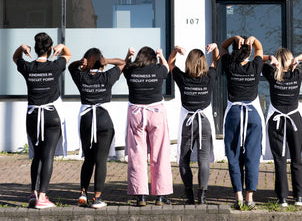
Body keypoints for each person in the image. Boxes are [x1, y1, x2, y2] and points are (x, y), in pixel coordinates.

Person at [13, 33, 72, 209]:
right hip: (52, 115)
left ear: (35, 48)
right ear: (49, 49)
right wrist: (61, 47)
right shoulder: (55, 66)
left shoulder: (28, 66)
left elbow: (16, 57)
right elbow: (68, 55)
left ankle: (33, 193)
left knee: (37, 156)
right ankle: (43, 197)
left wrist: (22, 48)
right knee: (48, 157)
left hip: (32, 115)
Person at [69, 48, 126, 209]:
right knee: (101, 161)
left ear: (86, 61)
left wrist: (79, 63)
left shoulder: (81, 76)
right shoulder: (107, 76)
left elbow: (70, 67)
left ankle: (82, 193)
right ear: (101, 62)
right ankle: (97, 199)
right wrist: (108, 61)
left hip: (86, 119)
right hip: (104, 120)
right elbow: (123, 63)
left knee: (88, 159)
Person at [168, 43, 219, 205]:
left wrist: (176, 50)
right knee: (203, 160)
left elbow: (170, 64)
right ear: (203, 63)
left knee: (184, 159)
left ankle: (189, 195)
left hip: (188, 123)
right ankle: (202, 196)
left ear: (188, 63)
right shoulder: (209, 77)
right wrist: (216, 48)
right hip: (204, 122)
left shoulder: (182, 78)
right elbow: (216, 61)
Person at [123, 47, 172, 207]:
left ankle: (141, 195)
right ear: (153, 58)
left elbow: (124, 66)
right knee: (160, 153)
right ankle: (160, 195)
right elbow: (167, 67)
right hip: (156, 112)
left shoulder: (131, 70)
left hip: (136, 113)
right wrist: (161, 55)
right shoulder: (158, 69)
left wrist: (128, 56)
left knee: (137, 154)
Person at [220, 35, 265, 210]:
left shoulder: (230, 66)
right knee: (252, 156)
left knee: (233, 155)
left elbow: (223, 48)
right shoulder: (255, 66)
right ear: (250, 52)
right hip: (253, 115)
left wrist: (233, 38)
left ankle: (238, 196)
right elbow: (260, 50)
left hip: (234, 114)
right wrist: (254, 40)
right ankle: (250, 198)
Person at [262, 48, 302, 207]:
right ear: (290, 60)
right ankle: (299, 197)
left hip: (276, 121)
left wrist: (270, 58)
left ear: (277, 61)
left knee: (279, 160)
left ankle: (282, 198)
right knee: (297, 159)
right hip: (294, 120)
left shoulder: (272, 74)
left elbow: (257, 60)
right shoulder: (297, 73)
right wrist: (297, 58)